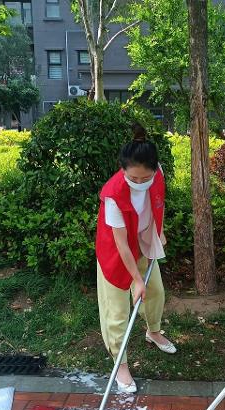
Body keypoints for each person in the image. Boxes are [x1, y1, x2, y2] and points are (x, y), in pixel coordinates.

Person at [95, 123, 177, 393]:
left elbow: (158, 202)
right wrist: (136, 279)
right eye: (134, 179)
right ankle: (120, 362)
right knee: (117, 312)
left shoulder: (158, 173)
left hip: (142, 241)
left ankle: (152, 331)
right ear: (123, 171)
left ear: (155, 169)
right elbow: (120, 243)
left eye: (145, 179)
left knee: (155, 292)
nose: (139, 183)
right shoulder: (113, 195)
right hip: (116, 253)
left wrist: (158, 233)